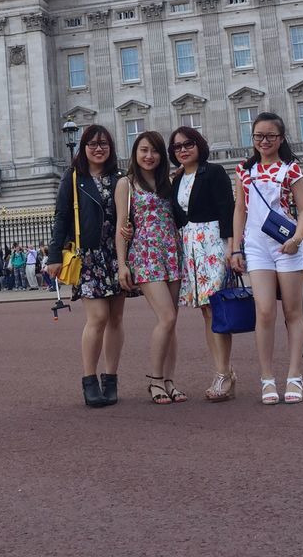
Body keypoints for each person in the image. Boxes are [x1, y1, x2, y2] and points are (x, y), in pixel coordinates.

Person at [232, 112, 303, 405]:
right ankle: (267, 378)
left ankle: (294, 375)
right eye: (258, 136)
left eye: (270, 136)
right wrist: (236, 248)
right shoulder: (243, 170)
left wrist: (296, 239)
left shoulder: (291, 169)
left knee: (293, 312)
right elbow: (240, 209)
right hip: (255, 245)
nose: (264, 141)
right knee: (264, 312)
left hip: (286, 245)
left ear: (281, 139)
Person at [46, 123, 126, 408]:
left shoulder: (120, 177)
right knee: (98, 318)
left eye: (104, 143)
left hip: (116, 255)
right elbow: (61, 217)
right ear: (83, 148)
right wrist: (54, 255)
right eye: (92, 144)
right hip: (89, 255)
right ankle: (89, 378)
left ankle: (111, 378)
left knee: (116, 319)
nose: (98, 148)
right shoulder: (73, 177)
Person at [115, 130, 185, 405]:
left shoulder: (169, 181)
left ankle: (169, 380)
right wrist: (122, 265)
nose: (149, 156)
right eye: (144, 150)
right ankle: (155, 379)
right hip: (145, 254)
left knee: (171, 322)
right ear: (135, 153)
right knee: (166, 317)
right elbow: (122, 227)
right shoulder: (127, 184)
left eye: (154, 151)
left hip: (171, 252)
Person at [167, 125, 237, 402]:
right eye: (177, 147)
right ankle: (224, 370)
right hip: (190, 247)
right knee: (206, 313)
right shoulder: (176, 180)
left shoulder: (215, 172)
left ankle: (223, 374)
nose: (183, 150)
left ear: (199, 145)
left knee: (215, 310)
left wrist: (232, 248)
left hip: (212, 244)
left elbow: (226, 209)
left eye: (188, 144)